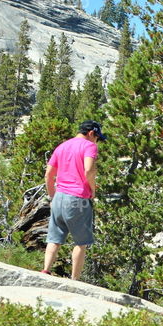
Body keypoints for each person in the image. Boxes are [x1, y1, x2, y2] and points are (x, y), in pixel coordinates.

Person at [41, 120, 106, 280]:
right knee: (81, 242)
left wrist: (52, 196)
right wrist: (92, 189)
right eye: (97, 137)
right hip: (78, 197)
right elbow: (89, 169)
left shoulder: (62, 146)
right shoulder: (89, 146)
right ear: (91, 133)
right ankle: (74, 280)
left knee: (54, 239)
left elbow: (48, 174)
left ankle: (45, 271)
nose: (97, 141)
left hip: (59, 196)